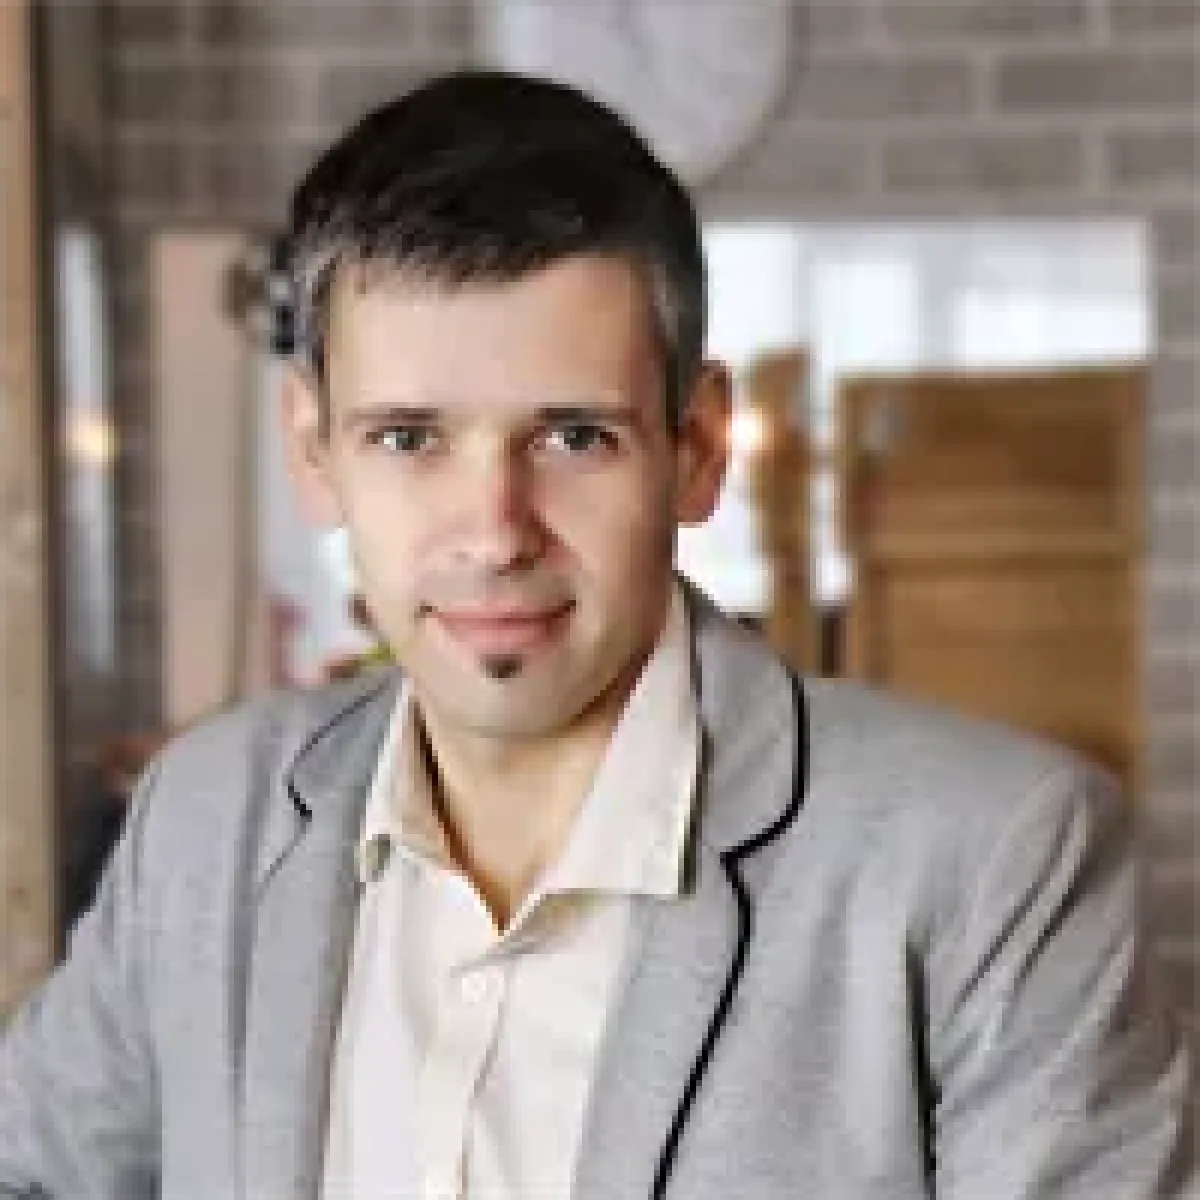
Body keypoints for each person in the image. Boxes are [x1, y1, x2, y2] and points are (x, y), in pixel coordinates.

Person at [1, 69, 1196, 1200]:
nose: (493, 533)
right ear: (315, 451)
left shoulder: (994, 861)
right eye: (409, 438)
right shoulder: (211, 818)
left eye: (573, 437)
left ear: (699, 447)